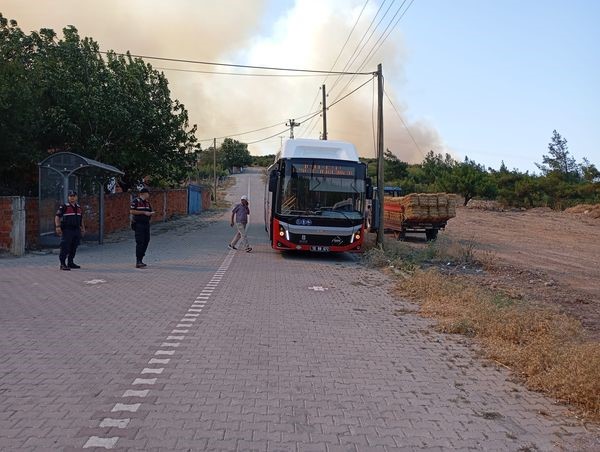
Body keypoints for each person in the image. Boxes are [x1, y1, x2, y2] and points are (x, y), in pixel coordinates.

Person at [54, 190, 85, 270]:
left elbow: (81, 219)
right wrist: (58, 226)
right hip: (67, 230)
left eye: (74, 196)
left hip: (76, 230)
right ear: (68, 197)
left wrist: (83, 228)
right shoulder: (64, 206)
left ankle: (70, 262)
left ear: (76, 197)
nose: (72, 198)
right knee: (65, 247)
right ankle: (62, 264)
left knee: (74, 247)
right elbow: (57, 216)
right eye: (71, 196)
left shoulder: (78, 207)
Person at [130, 188, 155, 268]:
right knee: (140, 242)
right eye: (148, 193)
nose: (149, 195)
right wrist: (144, 212)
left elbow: (149, 211)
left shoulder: (147, 203)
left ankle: (141, 257)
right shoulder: (136, 201)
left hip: (146, 224)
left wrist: (150, 214)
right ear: (143, 193)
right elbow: (132, 211)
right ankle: (138, 261)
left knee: (146, 240)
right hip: (138, 224)